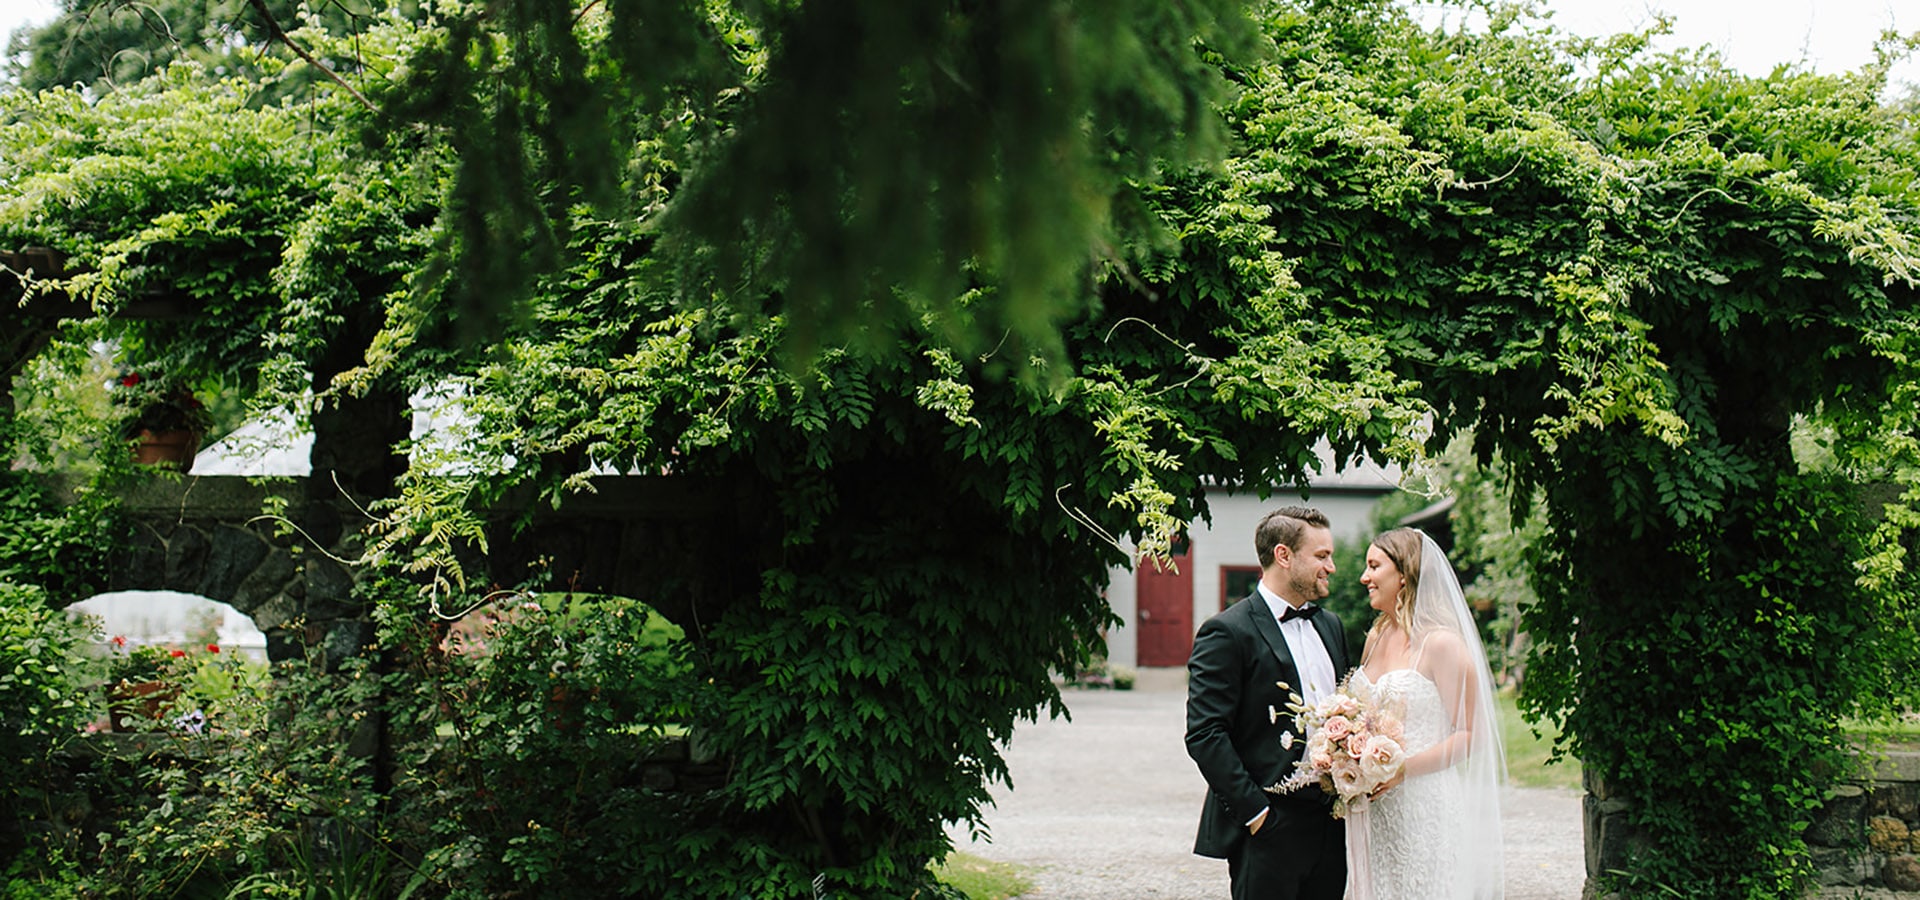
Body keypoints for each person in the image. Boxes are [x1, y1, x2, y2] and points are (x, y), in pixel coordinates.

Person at [1186, 506, 1350, 900]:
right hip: (1270, 825)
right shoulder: (1227, 631)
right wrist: (1259, 815)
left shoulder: (1330, 626)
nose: (1331, 567)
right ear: (1284, 555)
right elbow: (1205, 733)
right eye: (1322, 556)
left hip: (1332, 823)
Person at [1349, 527, 1505, 899]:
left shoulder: (1442, 644)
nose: (1364, 577)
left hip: (1424, 805)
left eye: (1374, 566)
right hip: (1375, 809)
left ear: (1404, 573)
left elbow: (1472, 735)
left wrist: (1402, 769)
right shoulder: (1376, 635)